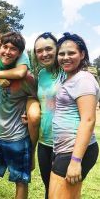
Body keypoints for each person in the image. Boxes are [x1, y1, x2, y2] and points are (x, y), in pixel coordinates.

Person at [0, 32, 36, 199]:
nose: (6, 52)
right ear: (1, 45)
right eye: (5, 47)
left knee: (20, 180)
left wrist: (31, 110)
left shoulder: (25, 76)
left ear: (19, 53)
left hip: (18, 137)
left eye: (13, 49)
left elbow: (36, 96)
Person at [49, 33, 99, 199]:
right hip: (66, 149)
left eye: (71, 53)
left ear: (82, 54)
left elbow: (89, 120)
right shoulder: (70, 78)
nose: (65, 57)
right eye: (61, 54)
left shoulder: (83, 79)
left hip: (73, 152)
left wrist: (76, 161)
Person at [33, 32, 65, 198]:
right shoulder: (41, 74)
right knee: (48, 188)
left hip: (65, 143)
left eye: (48, 49)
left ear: (57, 48)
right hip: (44, 141)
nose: (44, 54)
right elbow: (42, 101)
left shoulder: (67, 72)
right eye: (39, 51)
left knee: (61, 191)